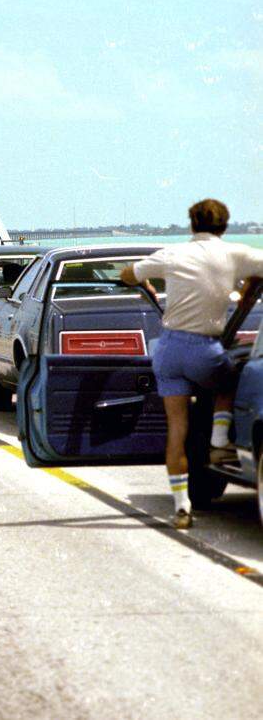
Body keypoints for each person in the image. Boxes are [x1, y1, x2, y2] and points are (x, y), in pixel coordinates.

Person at [120, 199, 263, 529]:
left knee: (177, 430)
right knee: (229, 381)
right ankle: (217, 444)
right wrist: (246, 288)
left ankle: (182, 507)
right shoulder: (234, 254)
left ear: (192, 225)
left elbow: (131, 273)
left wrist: (138, 280)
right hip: (204, 347)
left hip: (169, 349)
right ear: (224, 226)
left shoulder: (173, 254)